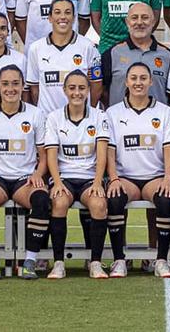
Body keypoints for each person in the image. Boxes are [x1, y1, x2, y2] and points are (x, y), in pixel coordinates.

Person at [0, 64, 49, 280]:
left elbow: (44, 155)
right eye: (5, 84)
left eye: (15, 83)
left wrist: (38, 175)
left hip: (24, 179)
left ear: (23, 86)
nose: (10, 88)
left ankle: (29, 261)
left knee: (42, 200)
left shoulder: (35, 114)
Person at [104, 62, 170, 278]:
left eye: (143, 78)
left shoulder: (165, 112)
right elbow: (109, 149)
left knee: (164, 199)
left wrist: (167, 178)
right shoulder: (113, 113)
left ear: (151, 82)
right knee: (115, 198)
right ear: (126, 82)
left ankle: (161, 259)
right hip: (126, 177)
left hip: (154, 177)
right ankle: (119, 259)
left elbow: (169, 147)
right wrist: (114, 178)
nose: (138, 83)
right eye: (134, 78)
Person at [44, 69, 110, 280]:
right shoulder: (54, 117)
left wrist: (99, 182)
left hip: (90, 177)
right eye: (72, 88)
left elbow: (102, 153)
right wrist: (56, 183)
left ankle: (96, 262)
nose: (77, 93)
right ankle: (59, 263)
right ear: (64, 90)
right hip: (64, 176)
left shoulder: (99, 116)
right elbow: (51, 155)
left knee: (99, 204)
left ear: (89, 90)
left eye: (82, 88)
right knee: (59, 202)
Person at [25, 0, 101, 118]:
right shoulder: (36, 49)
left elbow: (96, 85)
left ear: (74, 17)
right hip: (48, 121)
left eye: (68, 12)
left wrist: (85, 113)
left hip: (80, 121)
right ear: (49, 18)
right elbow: (34, 89)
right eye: (57, 12)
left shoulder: (88, 47)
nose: (63, 17)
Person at [100, 2, 170, 107]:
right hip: (119, 121)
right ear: (127, 22)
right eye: (134, 18)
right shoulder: (112, 54)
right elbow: (101, 91)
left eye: (145, 17)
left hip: (157, 121)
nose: (139, 22)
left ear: (153, 22)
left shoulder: (167, 56)